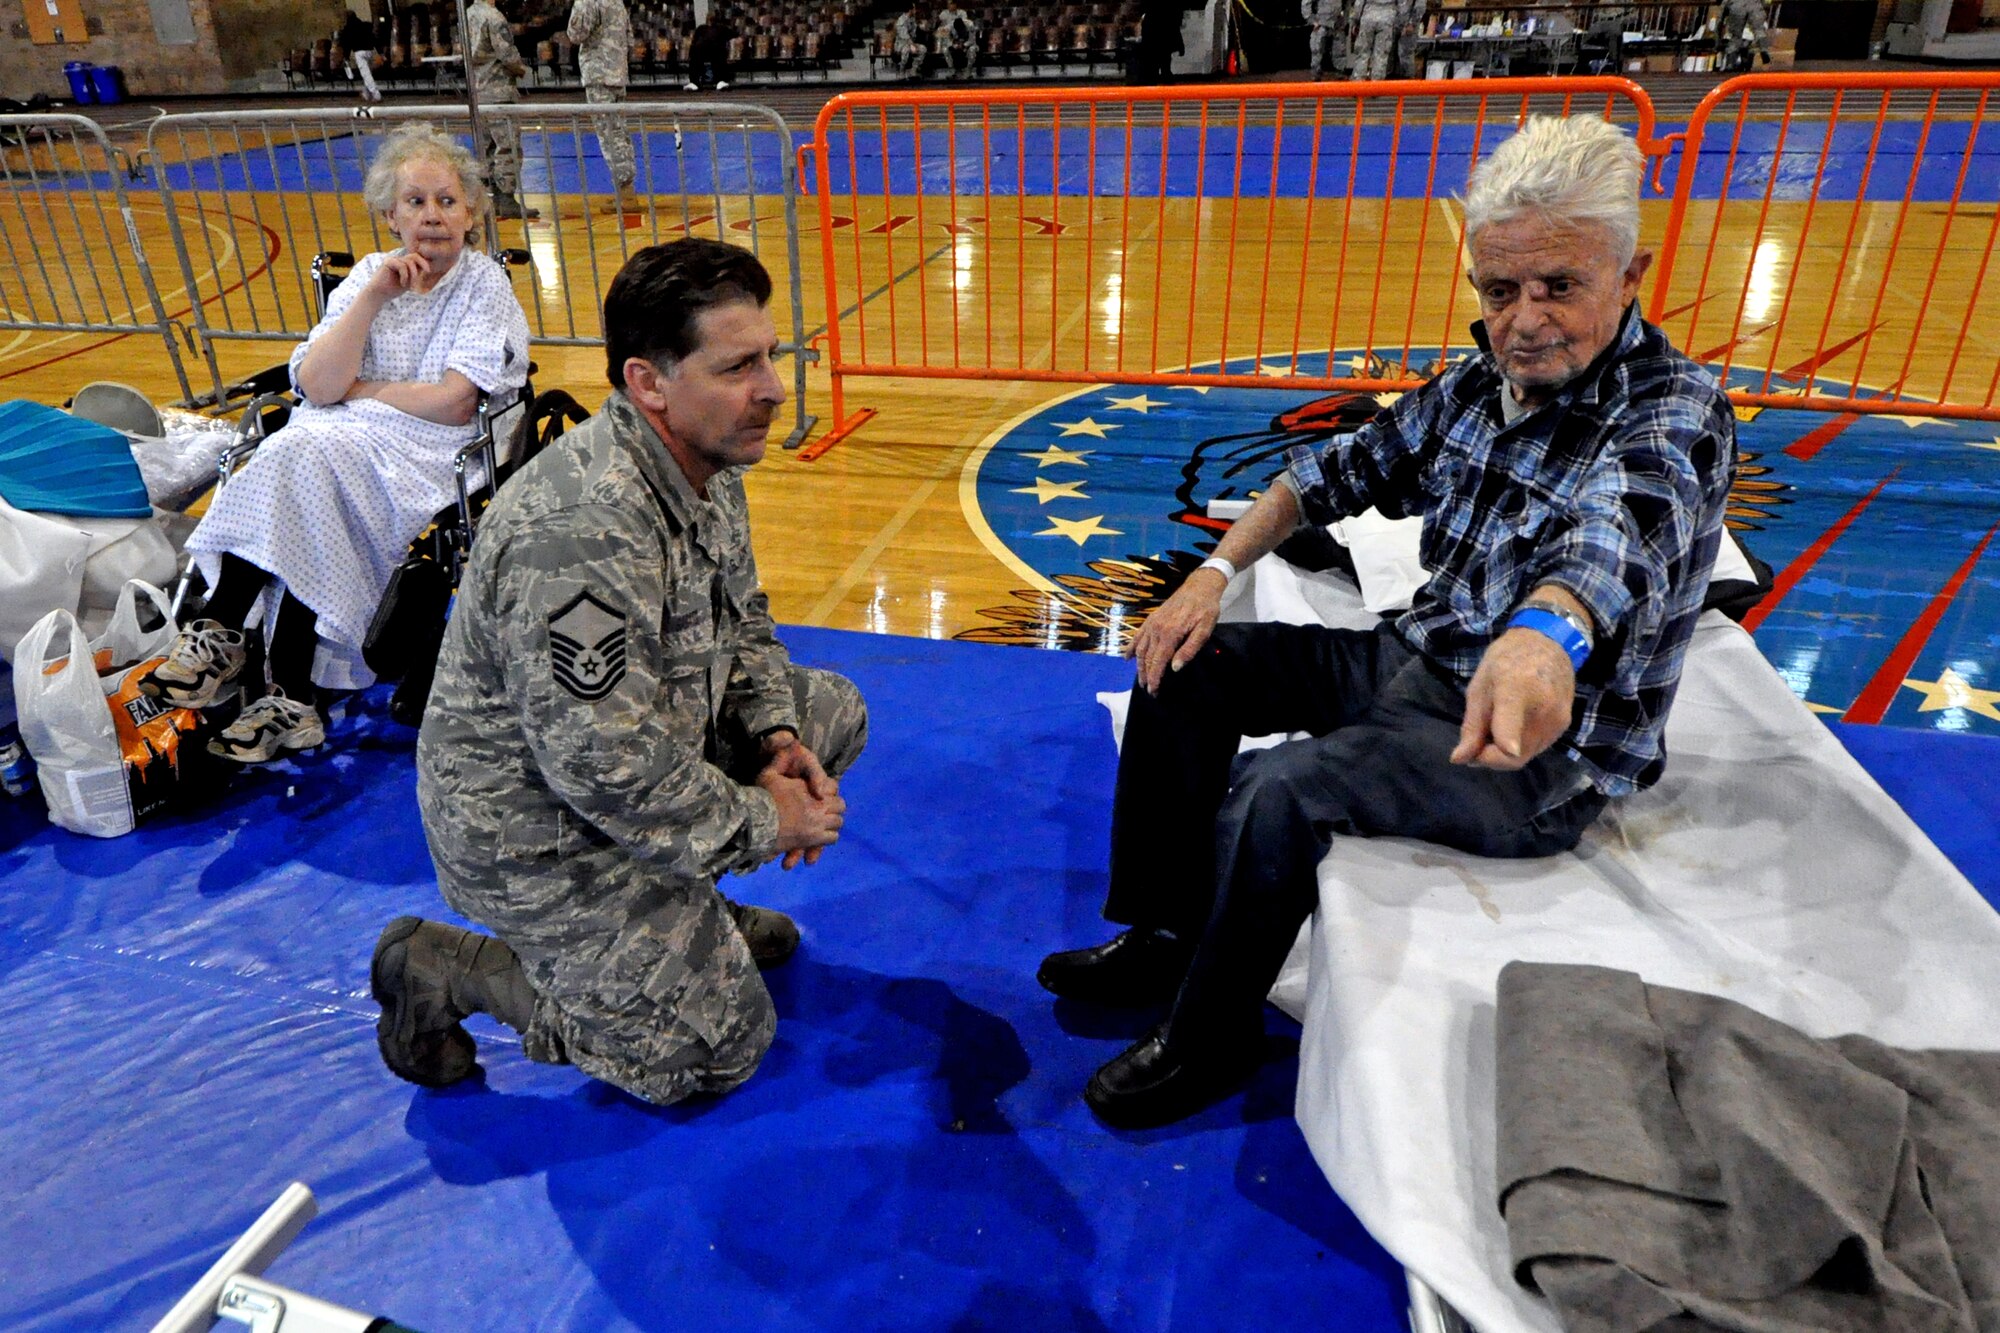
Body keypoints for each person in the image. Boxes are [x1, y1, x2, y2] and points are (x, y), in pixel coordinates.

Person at [1037, 115, 1735, 1130]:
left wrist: (1545, 638)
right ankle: (1164, 931)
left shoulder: (1669, 411)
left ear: (1631, 275)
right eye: (1499, 291)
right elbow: (1330, 473)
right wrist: (1214, 574)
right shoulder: (1473, 385)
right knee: (1183, 666)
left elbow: (1614, 536)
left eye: (1558, 286)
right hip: (1417, 660)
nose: (1523, 320)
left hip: (1539, 752)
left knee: (1279, 791)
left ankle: (1211, 1034)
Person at [371, 238, 868, 1106]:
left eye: (772, 357)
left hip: (630, 770)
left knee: (831, 713)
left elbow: (745, 624)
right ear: (648, 384)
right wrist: (763, 818)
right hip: (534, 833)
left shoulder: (705, 460)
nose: (774, 389)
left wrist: (774, 736)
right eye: (738, 365)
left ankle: (685, 906)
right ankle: (449, 967)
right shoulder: (579, 533)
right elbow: (601, 767)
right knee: (706, 1053)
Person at [143, 124, 531, 764]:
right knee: (302, 462)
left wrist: (362, 392)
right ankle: (286, 692)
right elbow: (318, 384)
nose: (432, 216)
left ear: (471, 213)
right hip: (337, 444)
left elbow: (456, 401)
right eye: (415, 202)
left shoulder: (482, 283)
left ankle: (228, 632)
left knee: (298, 456)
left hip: (427, 450)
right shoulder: (370, 280)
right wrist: (373, 298)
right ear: (389, 215)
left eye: (446, 201)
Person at [464, 0, 537, 220]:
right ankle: (506, 197)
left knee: (487, 146)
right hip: (499, 90)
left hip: (477, 89)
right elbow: (507, 55)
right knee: (507, 145)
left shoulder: (467, 15)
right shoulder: (494, 17)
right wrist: (521, 70)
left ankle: (491, 197)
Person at [567, 0, 638, 213]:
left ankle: (626, 195)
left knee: (609, 135)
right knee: (619, 132)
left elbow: (575, 34)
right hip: (617, 73)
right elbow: (630, 39)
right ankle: (627, 192)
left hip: (598, 73)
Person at [1350, 0, 1416, 78]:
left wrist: (1355, 20)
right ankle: (1377, 84)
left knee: (1362, 53)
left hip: (1367, 17)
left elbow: (1359, 3)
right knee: (1381, 56)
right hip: (1387, 20)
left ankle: (1358, 81)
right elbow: (1403, 7)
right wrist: (1401, 24)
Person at [338, 6, 382, 104]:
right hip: (370, 51)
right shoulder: (366, 25)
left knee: (366, 74)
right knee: (368, 73)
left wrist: (346, 57)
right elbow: (374, 38)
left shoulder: (347, 29)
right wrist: (380, 52)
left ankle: (376, 94)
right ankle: (366, 93)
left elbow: (347, 45)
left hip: (359, 52)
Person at [1131, 0, 1182, 83]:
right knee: (1162, 66)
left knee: (1158, 67)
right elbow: (1176, 21)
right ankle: (1164, 86)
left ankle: (1159, 86)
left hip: (1157, 37)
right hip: (1162, 37)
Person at [1719, 0, 1772, 69]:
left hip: (1737, 5)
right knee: (1759, 31)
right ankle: (1764, 49)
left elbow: (1721, 16)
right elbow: (1766, 3)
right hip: (1754, 4)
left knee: (1736, 36)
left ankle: (1730, 63)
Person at [1301, 0, 1346, 79]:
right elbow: (1306, 2)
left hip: (1337, 22)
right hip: (1321, 22)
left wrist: (1345, 19)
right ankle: (1315, 73)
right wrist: (1311, 20)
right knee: (1317, 48)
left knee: (1339, 49)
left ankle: (1340, 71)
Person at [683, 18, 733, 90]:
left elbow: (694, 41)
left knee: (715, 56)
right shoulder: (705, 28)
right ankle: (718, 81)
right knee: (716, 56)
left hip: (710, 50)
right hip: (708, 50)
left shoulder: (719, 28)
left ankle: (695, 82)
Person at [935, 3, 975, 76]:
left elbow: (972, 40)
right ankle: (951, 70)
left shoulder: (970, 25)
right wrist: (952, 44)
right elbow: (939, 33)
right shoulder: (950, 26)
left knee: (972, 49)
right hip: (955, 42)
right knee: (945, 49)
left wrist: (963, 45)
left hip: (967, 43)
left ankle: (968, 70)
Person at [893, 4, 929, 77]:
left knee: (923, 49)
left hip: (911, 43)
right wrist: (912, 45)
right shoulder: (901, 20)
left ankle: (914, 69)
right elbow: (904, 36)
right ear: (910, 10)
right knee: (906, 51)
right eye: (914, 9)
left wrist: (922, 26)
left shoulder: (912, 19)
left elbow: (915, 30)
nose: (915, 10)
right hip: (901, 44)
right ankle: (901, 71)